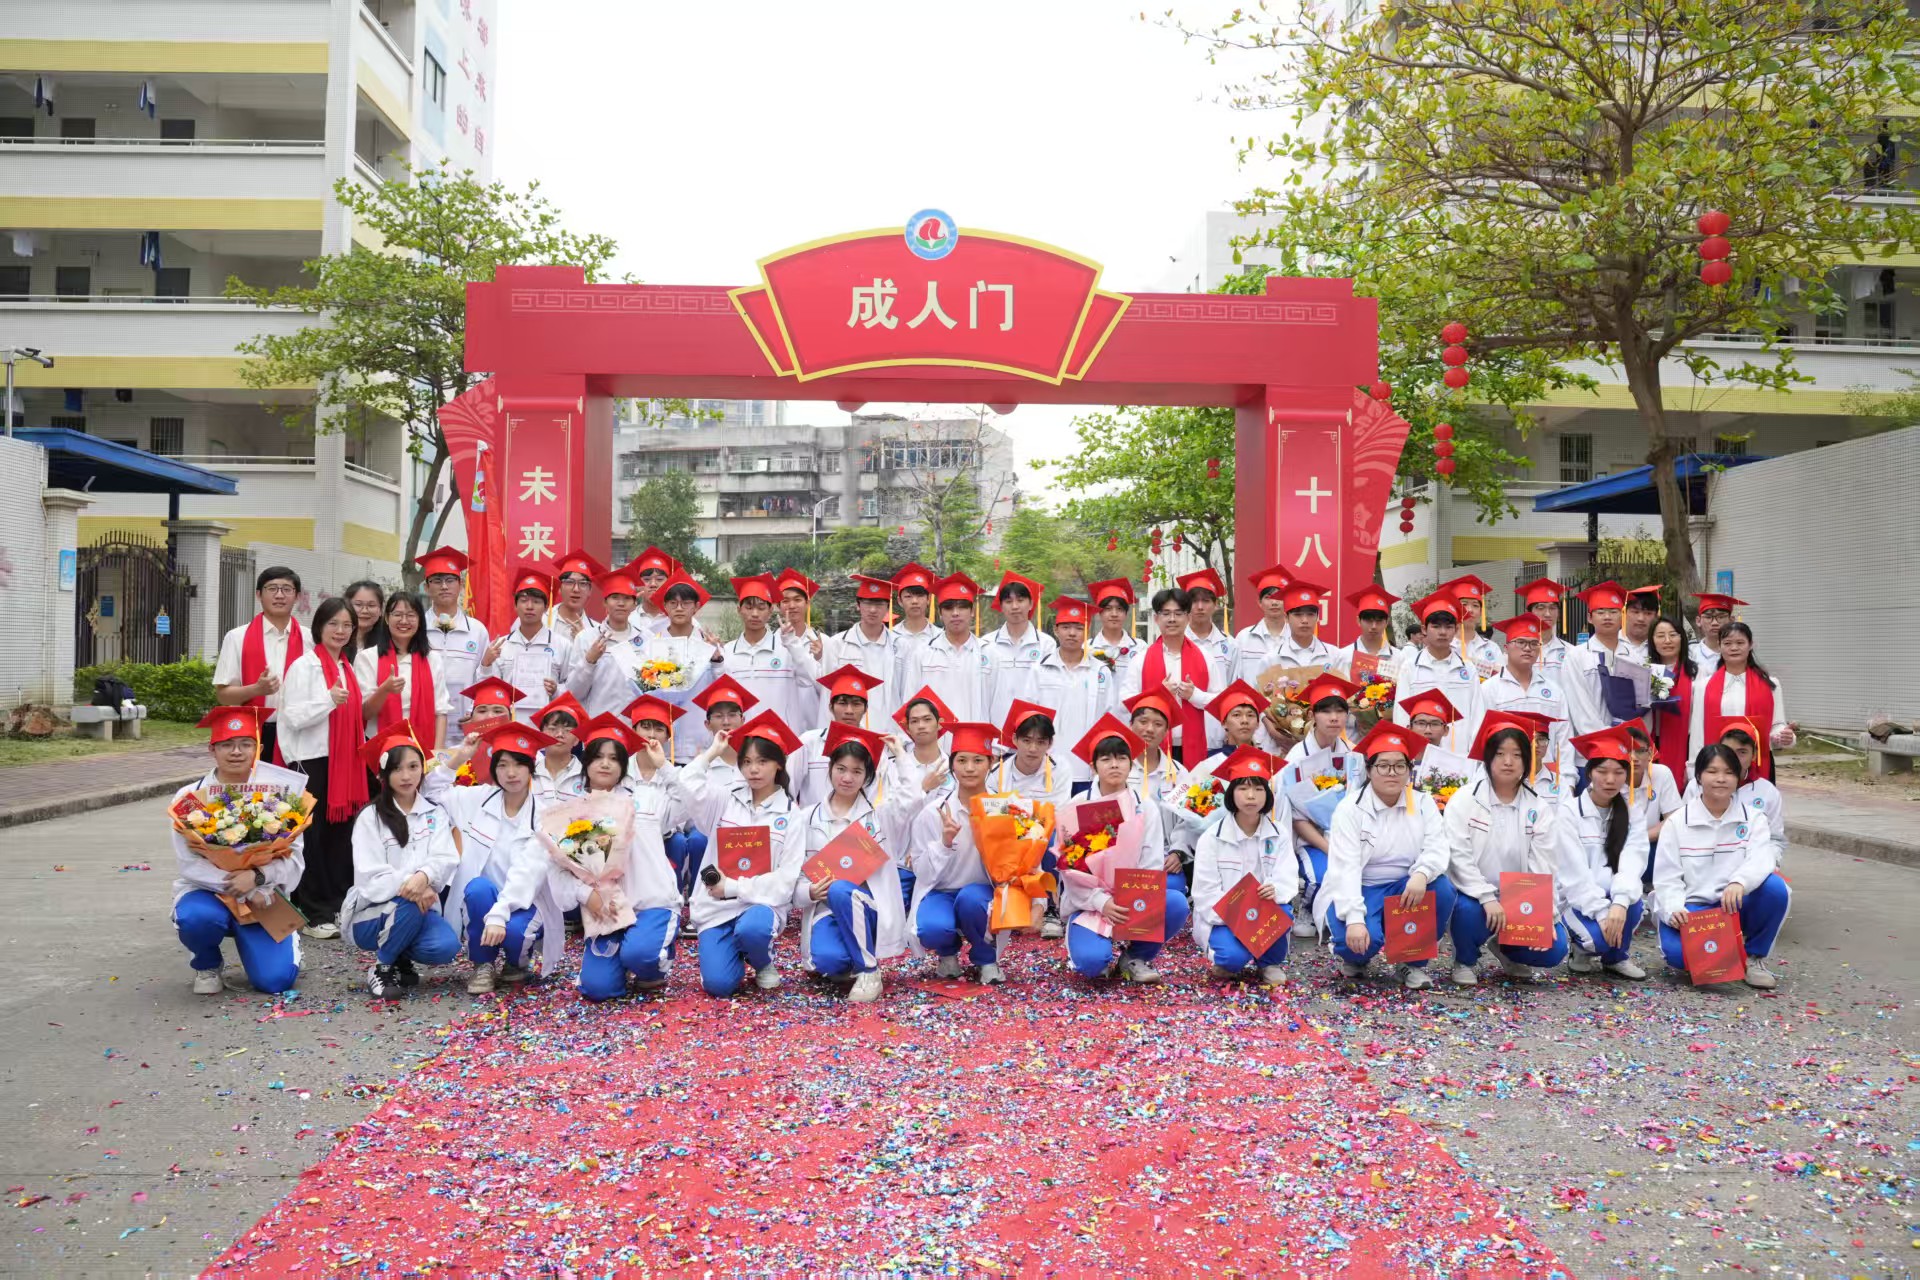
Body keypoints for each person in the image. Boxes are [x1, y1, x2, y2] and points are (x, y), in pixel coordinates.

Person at [548, 715, 685, 1000]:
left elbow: (690, 802)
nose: (605, 764)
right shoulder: (572, 813)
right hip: (607, 911)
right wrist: (586, 895)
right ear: (586, 763)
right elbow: (559, 869)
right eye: (598, 757)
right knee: (598, 989)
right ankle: (619, 962)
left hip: (651, 902)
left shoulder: (646, 798)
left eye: (613, 758)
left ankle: (652, 966)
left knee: (641, 956)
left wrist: (664, 767)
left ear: (623, 766)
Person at [169, 707, 305, 995]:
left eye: (246, 744)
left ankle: (288, 940)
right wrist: (242, 888)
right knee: (195, 918)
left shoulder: (280, 795)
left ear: (259, 749)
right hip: (209, 891)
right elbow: (189, 864)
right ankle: (207, 964)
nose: (236, 752)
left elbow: (294, 858)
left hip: (263, 895)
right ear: (212, 750)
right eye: (226, 744)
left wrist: (258, 877)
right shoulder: (190, 798)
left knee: (275, 981)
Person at [424, 720, 564, 993]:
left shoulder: (547, 813)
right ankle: (483, 964)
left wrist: (500, 915)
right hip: (485, 899)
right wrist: (461, 756)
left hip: (528, 901)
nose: (511, 773)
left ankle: (516, 962)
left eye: (519, 764)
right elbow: (432, 792)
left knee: (514, 932)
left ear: (531, 768)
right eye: (502, 765)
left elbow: (529, 873)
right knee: (477, 888)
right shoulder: (477, 799)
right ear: (494, 769)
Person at [1319, 721, 1457, 989]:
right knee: (1361, 942)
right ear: (1369, 770)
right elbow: (1345, 868)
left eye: (1399, 766)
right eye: (1383, 765)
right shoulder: (1350, 810)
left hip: (1405, 887)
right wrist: (1355, 919)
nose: (1392, 773)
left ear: (1409, 770)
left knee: (1442, 888)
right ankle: (1356, 958)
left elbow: (1437, 845)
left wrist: (1421, 874)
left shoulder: (1423, 803)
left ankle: (1411, 962)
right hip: (1362, 887)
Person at [787, 722, 915, 1003]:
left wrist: (900, 755)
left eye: (857, 771)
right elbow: (793, 874)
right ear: (830, 768)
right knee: (830, 963)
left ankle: (869, 971)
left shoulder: (880, 817)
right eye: (841, 769)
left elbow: (913, 797)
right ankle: (852, 958)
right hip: (827, 908)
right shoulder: (806, 818)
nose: (847, 778)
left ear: (867, 776)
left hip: (871, 910)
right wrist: (808, 892)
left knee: (840, 889)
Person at [1059, 714, 1191, 984]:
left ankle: (1136, 956)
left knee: (1176, 903)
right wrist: (1102, 902)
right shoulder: (1075, 806)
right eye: (1106, 759)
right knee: (1092, 964)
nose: (1114, 765)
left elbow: (1151, 862)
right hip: (1090, 901)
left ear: (1131, 764)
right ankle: (1085, 938)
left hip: (1132, 897)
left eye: (1121, 758)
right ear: (1093, 766)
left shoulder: (1145, 807)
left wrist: (1131, 896)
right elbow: (1069, 871)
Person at [681, 712, 804, 996]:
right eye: (746, 762)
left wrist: (733, 887)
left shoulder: (791, 815)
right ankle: (734, 952)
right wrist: (713, 751)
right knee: (718, 986)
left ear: (779, 763)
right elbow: (686, 783)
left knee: (754, 929)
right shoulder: (725, 799)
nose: (754, 770)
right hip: (716, 908)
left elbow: (786, 881)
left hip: (759, 906)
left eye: (762, 761)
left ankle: (761, 960)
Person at [1654, 743, 1791, 989]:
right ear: (1698, 776)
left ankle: (1753, 957)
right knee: (1679, 957)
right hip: (1693, 909)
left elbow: (1762, 858)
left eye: (1729, 772)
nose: (1721, 779)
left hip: (1733, 905)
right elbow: (1667, 877)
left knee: (1775, 889)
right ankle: (1725, 953)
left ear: (1738, 777)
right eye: (1712, 771)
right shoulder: (1677, 822)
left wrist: (1740, 882)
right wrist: (1673, 907)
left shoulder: (1753, 818)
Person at [1444, 712, 1568, 985]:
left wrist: (1543, 913)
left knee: (1554, 948)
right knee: (1468, 911)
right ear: (1488, 758)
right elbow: (1459, 857)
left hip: (1519, 896)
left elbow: (1544, 864)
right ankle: (1465, 959)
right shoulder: (1464, 800)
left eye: (1517, 755)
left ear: (1527, 760)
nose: (1508, 762)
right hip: (1473, 893)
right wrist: (1487, 897)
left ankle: (1506, 948)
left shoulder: (1538, 807)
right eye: (1500, 754)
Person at [341, 725, 461, 997]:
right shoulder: (370, 818)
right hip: (371, 914)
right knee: (409, 903)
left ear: (423, 769)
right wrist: (414, 882)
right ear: (382, 775)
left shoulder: (435, 813)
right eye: (396, 769)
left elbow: (445, 857)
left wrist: (424, 877)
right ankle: (382, 966)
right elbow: (371, 876)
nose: (406, 776)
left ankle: (398, 955)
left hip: (420, 906)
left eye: (413, 766)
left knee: (444, 946)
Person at [277, 597, 370, 939]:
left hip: (344, 761)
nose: (340, 631)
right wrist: (329, 700)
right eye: (334, 624)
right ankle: (312, 912)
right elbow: (293, 717)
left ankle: (335, 904)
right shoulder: (304, 666)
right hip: (312, 761)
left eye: (347, 625)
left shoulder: (347, 666)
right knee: (311, 840)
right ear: (319, 626)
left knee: (339, 836)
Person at [907, 721, 1007, 984]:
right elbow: (922, 873)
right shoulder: (934, 813)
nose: (969, 768)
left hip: (982, 893)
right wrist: (944, 843)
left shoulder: (1004, 809)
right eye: (962, 760)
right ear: (952, 765)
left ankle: (986, 959)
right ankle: (947, 954)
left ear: (991, 763)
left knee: (971, 899)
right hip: (941, 892)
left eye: (978, 760)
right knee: (932, 928)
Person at [1191, 746, 1299, 984]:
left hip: (1263, 911)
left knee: (1282, 909)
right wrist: (1239, 913)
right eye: (1243, 788)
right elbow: (1205, 892)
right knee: (1232, 959)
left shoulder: (1279, 833)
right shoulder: (1212, 837)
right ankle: (1231, 956)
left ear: (1267, 794)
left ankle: (1269, 962)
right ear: (1231, 793)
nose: (1251, 796)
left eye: (1259, 789)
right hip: (1224, 916)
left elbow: (1287, 874)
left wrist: (1275, 888)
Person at [1557, 726, 1654, 981]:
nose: (1610, 780)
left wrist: (1619, 903)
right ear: (1589, 772)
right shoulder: (1569, 812)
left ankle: (1616, 958)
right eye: (1602, 771)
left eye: (1618, 772)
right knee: (1597, 940)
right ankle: (1581, 949)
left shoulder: (1632, 812)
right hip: (1576, 899)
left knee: (1632, 903)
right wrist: (1601, 913)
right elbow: (1573, 874)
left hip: (1613, 894)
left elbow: (1633, 861)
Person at [1278, 673, 1366, 936]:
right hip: (1309, 837)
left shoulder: (1354, 754)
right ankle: (1306, 906)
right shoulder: (1296, 759)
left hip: (1347, 834)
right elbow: (1296, 817)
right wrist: (1329, 847)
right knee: (1321, 874)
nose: (1334, 718)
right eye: (1326, 711)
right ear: (1312, 715)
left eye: (1340, 711)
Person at [213, 565, 306, 765]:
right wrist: (257, 689)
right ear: (258, 595)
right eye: (272, 588)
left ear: (297, 596)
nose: (279, 595)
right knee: (253, 785)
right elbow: (223, 695)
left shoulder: (310, 640)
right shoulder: (237, 637)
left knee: (294, 785)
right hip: (251, 733)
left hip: (300, 734)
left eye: (287, 589)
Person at [1121, 587, 1219, 769]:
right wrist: (1158, 694)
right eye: (1166, 613)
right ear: (1156, 618)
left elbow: (1221, 702)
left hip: (1194, 744)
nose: (1172, 619)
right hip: (1151, 745)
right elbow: (1125, 702)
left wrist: (1195, 695)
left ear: (1188, 618)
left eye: (1178, 613)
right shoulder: (1141, 659)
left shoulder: (1205, 657)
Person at [718, 574, 819, 732]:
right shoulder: (728, 652)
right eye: (749, 608)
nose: (755, 614)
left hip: (780, 737)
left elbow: (809, 679)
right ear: (739, 610)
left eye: (761, 608)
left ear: (771, 610)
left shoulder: (787, 649)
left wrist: (793, 644)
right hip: (743, 737)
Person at [1478, 613, 1573, 782]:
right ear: (1506, 648)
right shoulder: (1489, 689)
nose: (1528, 648)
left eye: (1534, 643)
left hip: (1546, 777)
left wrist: (1567, 780)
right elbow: (1481, 739)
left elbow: (1564, 740)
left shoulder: (1553, 690)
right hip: (1504, 777)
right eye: (1521, 642)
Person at [1688, 622, 1794, 770]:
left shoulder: (1770, 684)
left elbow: (1777, 724)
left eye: (1740, 643)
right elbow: (1698, 732)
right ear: (1719, 645)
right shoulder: (1703, 686)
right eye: (1727, 643)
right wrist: (1694, 768)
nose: (1734, 648)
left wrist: (1784, 736)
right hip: (1716, 763)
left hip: (1757, 761)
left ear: (1751, 645)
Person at [1034, 596, 1115, 789]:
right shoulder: (1039, 670)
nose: (1072, 633)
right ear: (1056, 630)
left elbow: (1108, 716)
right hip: (1047, 764)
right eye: (1066, 627)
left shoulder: (1100, 672)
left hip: (1087, 766)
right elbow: (1030, 716)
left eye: (1079, 628)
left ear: (1087, 631)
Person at [890, 686, 957, 915]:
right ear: (907, 727)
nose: (921, 725)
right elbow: (894, 814)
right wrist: (923, 788)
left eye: (927, 719)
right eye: (915, 721)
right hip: (902, 859)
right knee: (893, 916)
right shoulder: (894, 767)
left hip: (944, 859)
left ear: (940, 724)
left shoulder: (956, 766)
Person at [1394, 591, 1483, 757]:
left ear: (1456, 629)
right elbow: (1401, 715)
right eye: (1436, 626)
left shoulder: (1468, 668)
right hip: (1420, 755)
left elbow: (1477, 714)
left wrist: (1473, 757)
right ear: (1424, 629)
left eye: (1448, 627)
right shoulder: (1410, 667)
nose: (1443, 632)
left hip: (1460, 754)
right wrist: (1407, 754)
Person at [418, 546, 491, 746]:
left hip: (464, 726)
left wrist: (474, 710)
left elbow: (485, 678)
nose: (444, 586)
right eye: (437, 581)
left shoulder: (477, 631)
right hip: (423, 722)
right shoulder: (417, 629)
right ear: (426, 588)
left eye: (450, 580)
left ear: (460, 586)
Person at [356, 590, 448, 747]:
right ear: (386, 618)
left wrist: (436, 753)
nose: (404, 621)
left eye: (411, 615)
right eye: (397, 614)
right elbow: (365, 713)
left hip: (422, 748)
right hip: (380, 748)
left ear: (420, 620)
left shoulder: (432, 659)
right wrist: (384, 690)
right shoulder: (367, 658)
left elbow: (440, 711)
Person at [899, 572, 990, 724]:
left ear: (972, 611)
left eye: (962, 607)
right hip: (935, 736)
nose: (955, 613)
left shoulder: (989, 653)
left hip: (975, 736)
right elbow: (910, 701)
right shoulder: (923, 653)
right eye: (948, 608)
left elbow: (997, 703)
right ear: (940, 613)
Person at [1564, 581, 1649, 740]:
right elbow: (1579, 703)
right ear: (1590, 618)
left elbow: (1641, 704)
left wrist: (1632, 737)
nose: (1607, 617)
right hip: (1592, 743)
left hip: (1629, 741)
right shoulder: (1576, 656)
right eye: (1600, 612)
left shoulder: (1635, 657)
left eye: (1613, 611)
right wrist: (1604, 737)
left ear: (1622, 616)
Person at [480, 569, 567, 724]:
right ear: (515, 605)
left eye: (536, 601)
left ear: (546, 607)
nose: (529, 606)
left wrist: (556, 690)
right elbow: (489, 691)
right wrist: (485, 665)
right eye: (524, 600)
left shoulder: (562, 645)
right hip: (509, 724)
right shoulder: (501, 646)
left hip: (547, 726)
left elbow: (573, 688)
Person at [790, 665, 885, 805]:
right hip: (812, 818)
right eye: (842, 703)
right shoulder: (808, 742)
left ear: (866, 709)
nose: (849, 710)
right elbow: (789, 788)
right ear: (831, 707)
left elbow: (877, 797)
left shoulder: (875, 748)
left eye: (856, 704)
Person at [1682, 718, 1786, 846]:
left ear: (1754, 755)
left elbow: (1775, 838)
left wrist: (1768, 858)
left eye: (1742, 752)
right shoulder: (1697, 785)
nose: (1734, 758)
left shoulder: (1768, 791)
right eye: (1728, 750)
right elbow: (1683, 827)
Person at [565, 565, 652, 718]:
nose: (621, 603)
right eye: (615, 597)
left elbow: (653, 689)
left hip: (635, 724)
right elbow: (574, 693)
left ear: (634, 605)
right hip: (599, 724)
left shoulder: (647, 639)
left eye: (627, 598)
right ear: (604, 603)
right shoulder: (586, 638)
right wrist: (589, 661)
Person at [980, 571, 1058, 728]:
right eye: (1008, 601)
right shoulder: (986, 644)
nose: (1015, 606)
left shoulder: (1046, 644)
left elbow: (1049, 691)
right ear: (1001, 606)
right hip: (995, 728)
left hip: (1032, 730)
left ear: (1031, 604)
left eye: (1020, 600)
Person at [826, 576, 902, 726]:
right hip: (851, 726)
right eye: (867, 603)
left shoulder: (901, 646)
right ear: (858, 605)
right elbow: (829, 693)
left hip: (890, 727)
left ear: (888, 607)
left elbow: (907, 689)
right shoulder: (837, 644)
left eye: (879, 604)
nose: (873, 610)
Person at [1178, 569, 1238, 750]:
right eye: (1194, 601)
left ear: (1216, 605)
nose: (1199, 607)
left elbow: (1233, 689)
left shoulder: (1229, 645)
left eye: (1205, 601)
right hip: (1180, 734)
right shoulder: (1174, 642)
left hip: (1218, 732)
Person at [774, 567, 828, 726]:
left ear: (807, 603)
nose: (791, 605)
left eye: (797, 600)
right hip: (779, 724)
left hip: (812, 725)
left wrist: (821, 658)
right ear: (778, 606)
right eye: (785, 601)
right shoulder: (770, 643)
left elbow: (827, 691)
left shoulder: (823, 642)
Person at [1230, 562, 1296, 686]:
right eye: (1268, 597)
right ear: (1259, 603)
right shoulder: (1244, 638)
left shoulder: (1296, 637)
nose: (1274, 602)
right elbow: (1235, 679)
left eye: (1279, 597)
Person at [1648, 614, 1698, 777]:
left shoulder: (1697, 672)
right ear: (1652, 640)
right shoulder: (1645, 671)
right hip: (1652, 742)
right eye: (1660, 636)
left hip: (1686, 743)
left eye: (1673, 635)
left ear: (1681, 638)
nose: (1667, 641)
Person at [1624, 723, 1685, 852]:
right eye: (1628, 750)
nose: (1634, 757)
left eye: (1640, 751)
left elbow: (1674, 819)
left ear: (1650, 754)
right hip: (1618, 845)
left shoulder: (1662, 773)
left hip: (1650, 842)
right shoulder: (1610, 776)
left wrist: (1639, 839)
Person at [1435, 574, 1503, 680]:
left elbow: (1501, 680)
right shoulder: (1442, 646)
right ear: (1453, 608)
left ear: (1481, 612)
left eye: (1475, 605)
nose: (1470, 610)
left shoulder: (1492, 648)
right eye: (1464, 604)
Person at [1332, 585, 1400, 686]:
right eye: (1368, 620)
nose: (1373, 626)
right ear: (1358, 621)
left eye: (1379, 621)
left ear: (1387, 622)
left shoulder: (1398, 657)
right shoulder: (1343, 656)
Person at [530, 692, 590, 796]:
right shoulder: (528, 774)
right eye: (552, 729)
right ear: (541, 734)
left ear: (576, 739)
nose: (559, 734)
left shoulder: (588, 777)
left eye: (567, 730)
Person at [1516, 577, 1572, 681]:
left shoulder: (1570, 651)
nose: (1547, 614)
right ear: (1528, 613)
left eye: (1552, 608)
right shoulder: (1516, 651)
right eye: (1541, 608)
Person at [551, 549, 606, 649]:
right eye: (569, 582)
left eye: (583, 583)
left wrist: (584, 640)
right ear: (559, 588)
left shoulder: (597, 632)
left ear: (590, 591)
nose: (576, 589)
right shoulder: (540, 621)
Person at [1087, 578, 1143, 676]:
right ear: (1100, 613)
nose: (1114, 614)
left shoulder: (1140, 648)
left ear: (1126, 613)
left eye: (1119, 609)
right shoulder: (1086, 648)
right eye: (1108, 609)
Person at [627, 545, 679, 636]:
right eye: (647, 579)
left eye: (659, 579)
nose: (653, 584)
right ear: (638, 585)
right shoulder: (628, 620)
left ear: (669, 583)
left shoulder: (682, 620)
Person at [1689, 592, 1744, 673]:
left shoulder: (1740, 652)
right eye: (1708, 617)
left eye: (1721, 617)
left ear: (1731, 620)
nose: (1714, 623)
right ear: (1698, 621)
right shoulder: (1690, 654)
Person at [891, 563, 939, 649]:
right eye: (908, 596)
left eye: (920, 596)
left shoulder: (939, 636)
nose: (915, 601)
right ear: (900, 601)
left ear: (928, 599)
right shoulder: (890, 637)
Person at [344, 580, 385, 655]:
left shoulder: (388, 642)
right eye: (358, 604)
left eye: (371, 605)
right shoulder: (335, 638)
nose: (364, 611)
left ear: (380, 610)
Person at [1624, 585, 1661, 655]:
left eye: (1648, 613)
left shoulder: (1662, 645)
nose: (1641, 618)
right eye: (1635, 612)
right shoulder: (1611, 641)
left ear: (1656, 616)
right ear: (1624, 613)